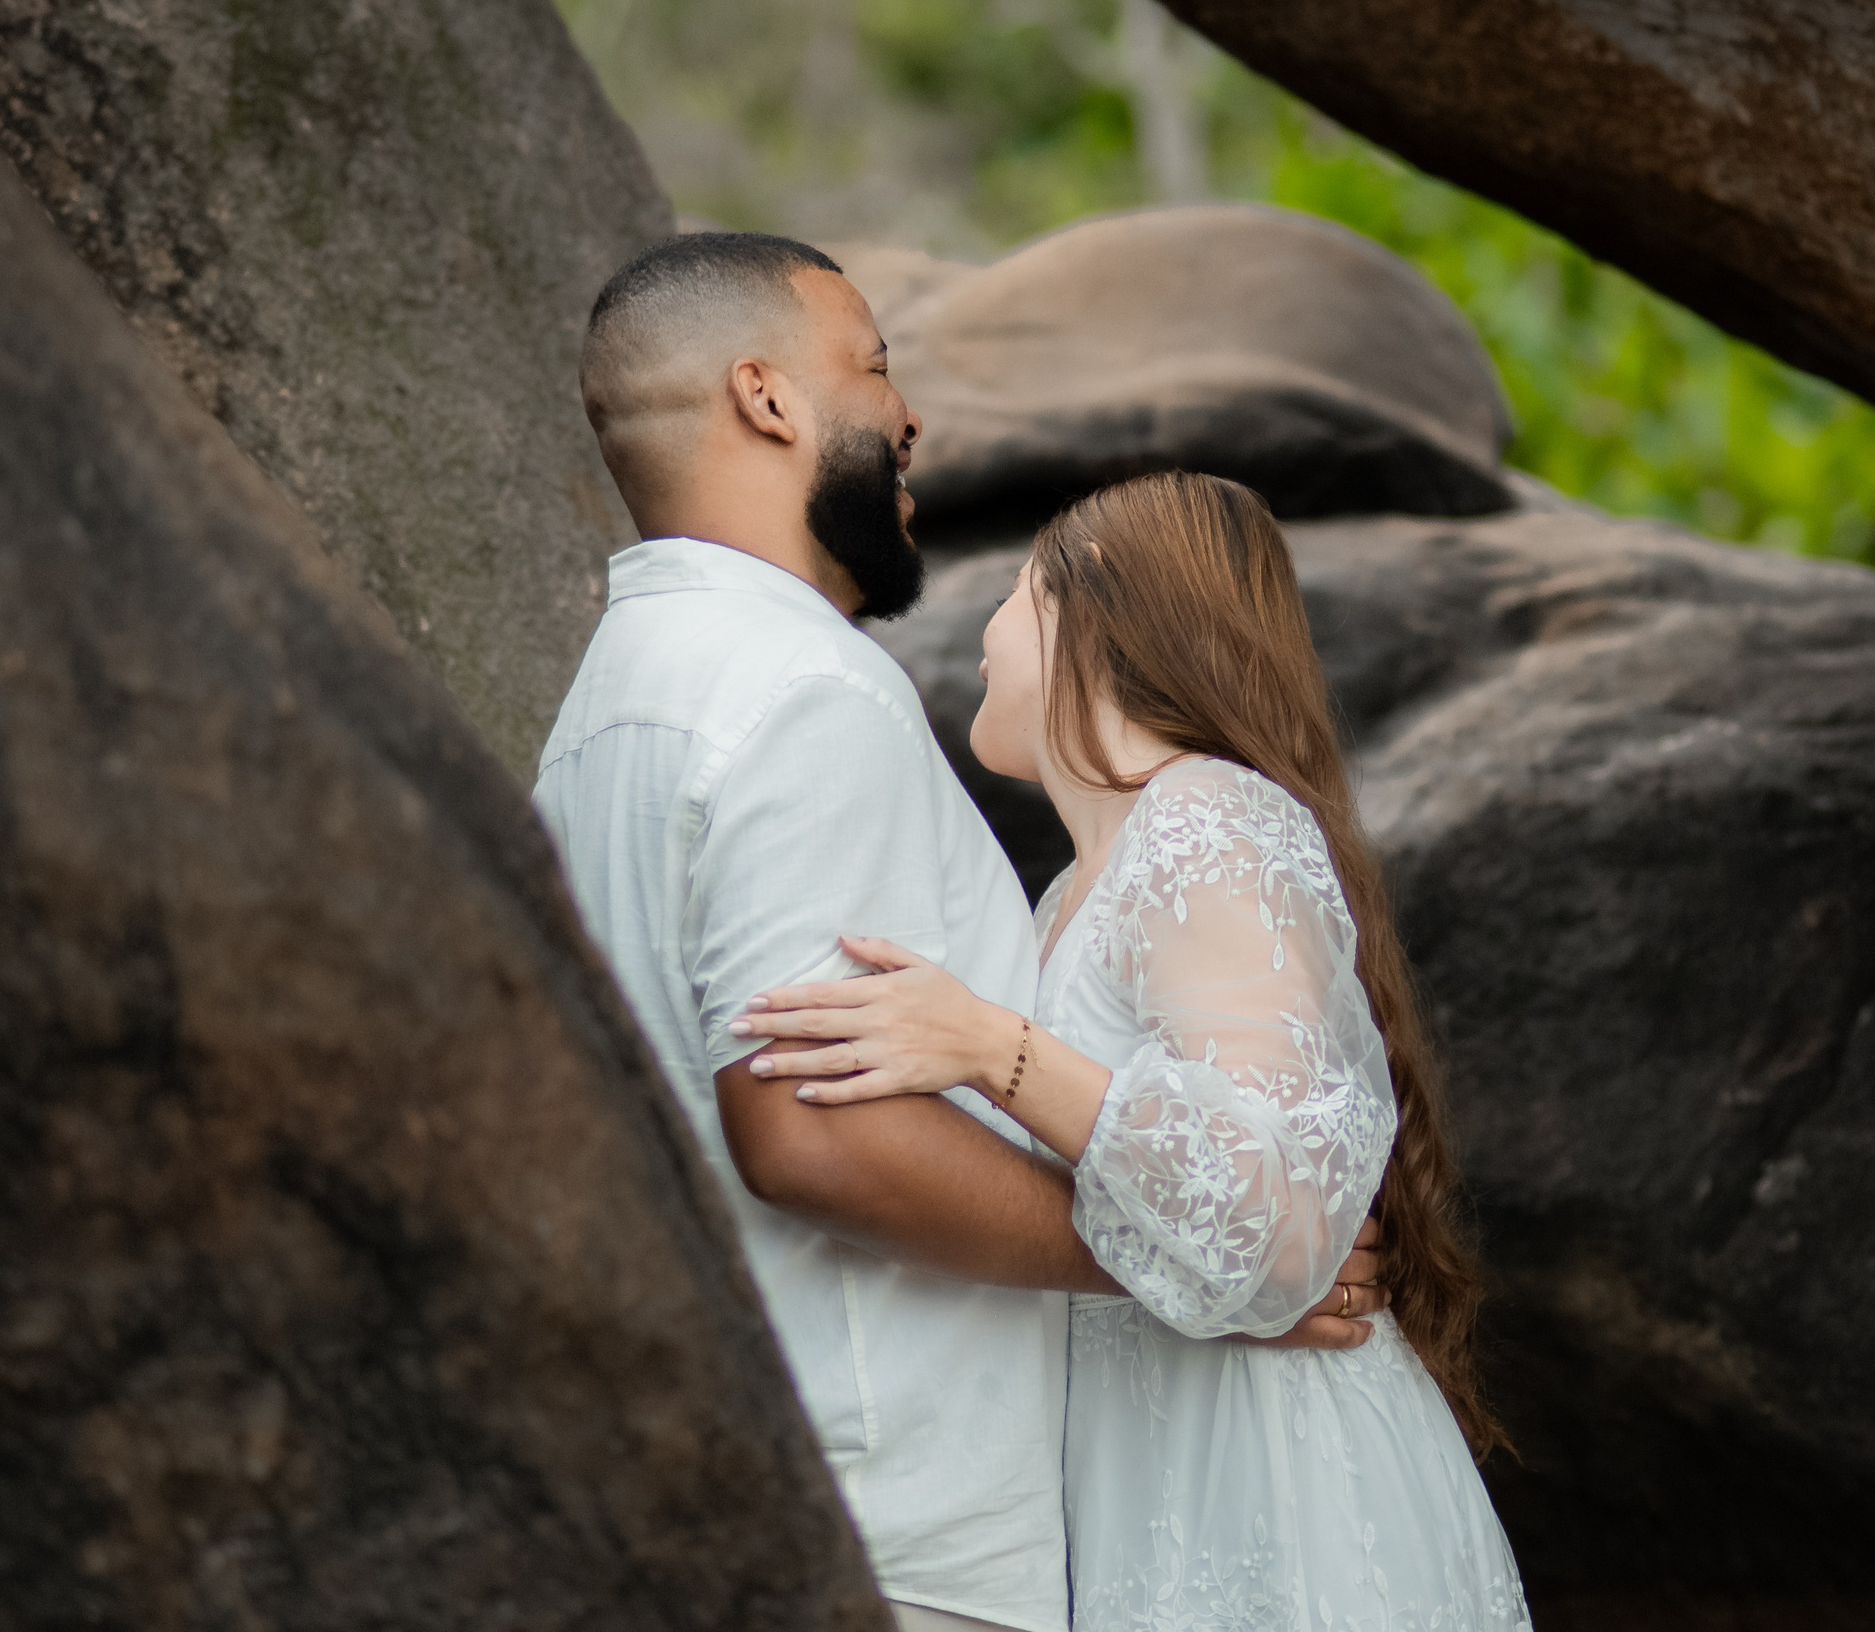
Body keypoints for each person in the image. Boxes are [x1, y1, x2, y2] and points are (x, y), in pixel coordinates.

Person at [532, 234, 1384, 1632]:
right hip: (899, 1518)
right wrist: (1197, 1268)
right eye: (873, 363)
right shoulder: (803, 688)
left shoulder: (606, 711)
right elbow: (810, 1124)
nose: (909, 412)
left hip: (739, 1462)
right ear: (767, 399)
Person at [737, 471, 1533, 1629]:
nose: (988, 638)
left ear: (1086, 617)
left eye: (1012, 595)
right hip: (1151, 1454)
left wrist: (989, 1047)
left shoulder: (1209, 821)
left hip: (1260, 1477)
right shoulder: (1075, 889)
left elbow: (1277, 1218)